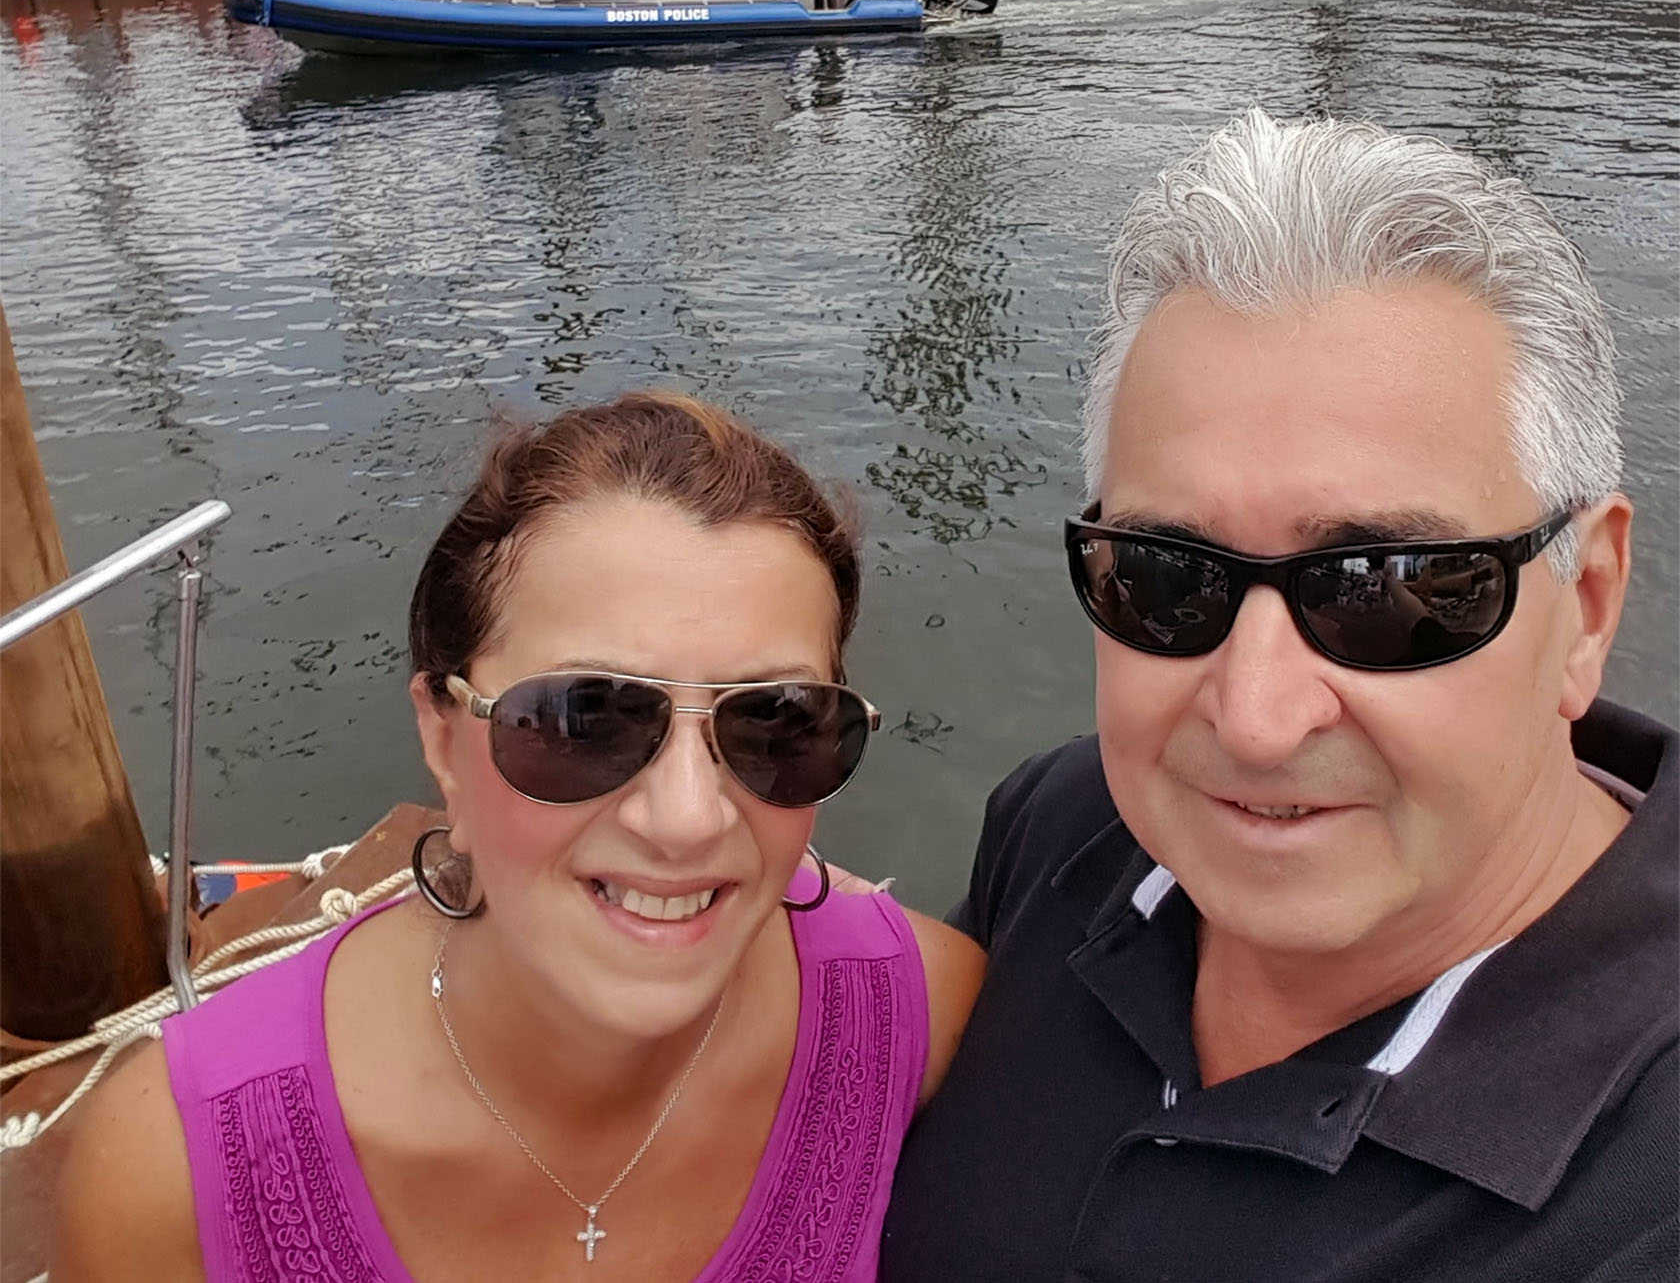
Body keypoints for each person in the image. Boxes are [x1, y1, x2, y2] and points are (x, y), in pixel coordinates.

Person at [881, 110, 1676, 1282]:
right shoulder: (1069, 827)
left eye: (1384, 588)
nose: (1255, 719)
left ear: (1589, 601)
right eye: (1167, 576)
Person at [56, 392, 985, 1283]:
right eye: (585, 719)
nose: (687, 819)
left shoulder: (923, 1022)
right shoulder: (175, 1177)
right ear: (443, 742)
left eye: (776, 722)